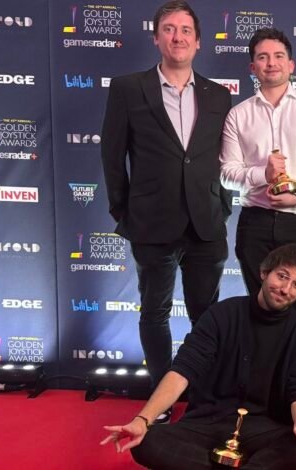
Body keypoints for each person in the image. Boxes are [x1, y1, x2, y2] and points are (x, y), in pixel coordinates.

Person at [100, 0, 232, 422]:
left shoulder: (218, 94)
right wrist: (124, 210)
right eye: (169, 29)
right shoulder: (127, 87)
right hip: (150, 222)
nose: (178, 37)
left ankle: (204, 396)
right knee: (154, 312)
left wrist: (223, 205)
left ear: (198, 40)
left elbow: (224, 158)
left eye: (186, 30)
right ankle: (159, 404)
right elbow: (111, 154)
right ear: (156, 37)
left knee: (206, 316)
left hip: (206, 223)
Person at [100, 244, 296, 470]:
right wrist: (142, 420)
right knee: (146, 442)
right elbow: (182, 371)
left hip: (262, 429)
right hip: (207, 423)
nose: (286, 289)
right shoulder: (222, 314)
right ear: (264, 273)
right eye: (282, 276)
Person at [219, 27, 296, 333]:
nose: (271, 63)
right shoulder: (238, 115)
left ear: (291, 65)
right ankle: (262, 382)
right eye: (263, 57)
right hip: (255, 224)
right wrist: (263, 174)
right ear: (253, 67)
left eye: (278, 56)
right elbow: (226, 173)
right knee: (259, 310)